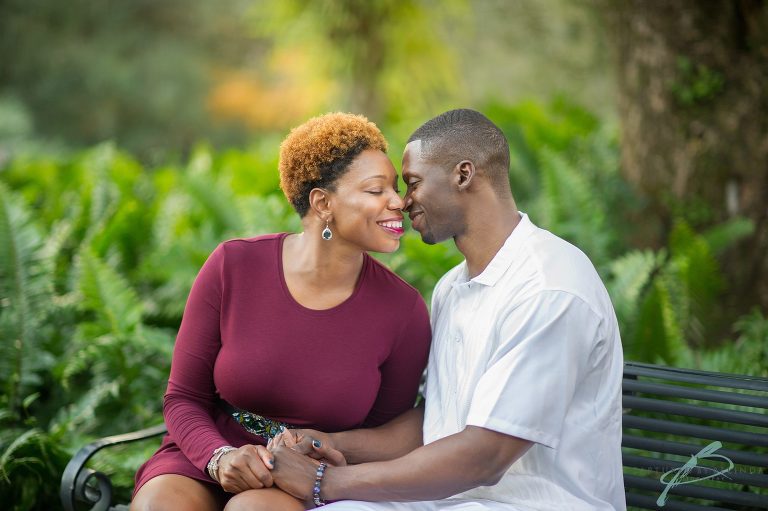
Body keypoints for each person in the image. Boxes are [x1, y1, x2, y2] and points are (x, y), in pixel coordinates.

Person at [269, 108, 626, 510]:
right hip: (451, 500)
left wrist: (325, 481)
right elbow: (439, 423)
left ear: (463, 174)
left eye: (413, 183)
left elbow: (485, 456)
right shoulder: (452, 288)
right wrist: (330, 443)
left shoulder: (550, 287)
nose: (403, 202)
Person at [130, 113, 432, 511]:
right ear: (323, 203)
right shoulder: (232, 266)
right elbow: (184, 397)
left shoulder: (403, 310)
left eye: (395, 188)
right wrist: (219, 458)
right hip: (206, 455)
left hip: (304, 476)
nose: (399, 202)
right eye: (377, 190)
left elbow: (386, 432)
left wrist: (319, 453)